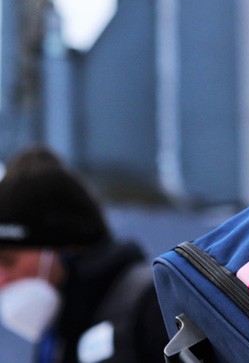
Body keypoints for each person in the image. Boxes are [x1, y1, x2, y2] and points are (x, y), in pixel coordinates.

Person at [0, 147, 168, 363]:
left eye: (8, 261)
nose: (1, 280)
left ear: (64, 247)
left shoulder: (153, 306)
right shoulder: (59, 332)